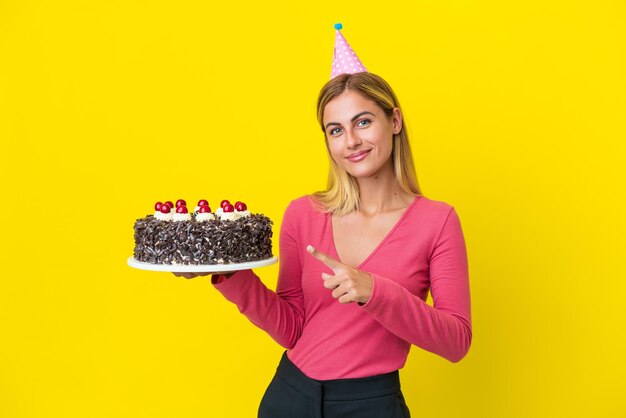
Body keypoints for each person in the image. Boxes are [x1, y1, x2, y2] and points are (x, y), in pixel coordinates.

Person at [174, 26, 472, 418]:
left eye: (363, 122)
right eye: (336, 130)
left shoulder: (438, 222)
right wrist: (230, 275)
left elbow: (456, 342)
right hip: (289, 395)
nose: (351, 141)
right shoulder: (303, 213)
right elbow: (292, 328)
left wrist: (374, 291)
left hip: (371, 404)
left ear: (394, 121)